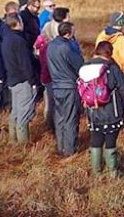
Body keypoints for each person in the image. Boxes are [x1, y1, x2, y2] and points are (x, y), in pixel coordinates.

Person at [82, 41, 124, 177]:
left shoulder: (85, 66)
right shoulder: (112, 68)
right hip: (111, 110)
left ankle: (96, 170)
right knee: (110, 140)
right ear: (110, 53)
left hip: (92, 111)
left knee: (96, 138)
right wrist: (122, 104)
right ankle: (112, 171)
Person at [37, 7, 79, 132]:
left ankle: (54, 128)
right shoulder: (61, 42)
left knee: (52, 104)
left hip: (52, 75)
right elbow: (73, 59)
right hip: (61, 77)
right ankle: (53, 127)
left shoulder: (48, 31)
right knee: (57, 106)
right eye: (68, 16)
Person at [47, 22, 85, 157]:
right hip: (69, 87)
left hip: (56, 86)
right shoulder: (67, 48)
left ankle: (61, 146)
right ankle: (70, 150)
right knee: (70, 119)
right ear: (68, 33)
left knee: (60, 117)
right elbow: (80, 65)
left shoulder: (51, 45)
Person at [1, 13, 38, 144]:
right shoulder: (19, 41)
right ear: (18, 23)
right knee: (24, 112)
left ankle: (13, 140)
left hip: (12, 79)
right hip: (22, 81)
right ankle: (23, 144)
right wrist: (33, 81)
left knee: (15, 111)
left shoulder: (6, 39)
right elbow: (25, 64)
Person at [95, 11, 124, 77]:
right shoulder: (121, 39)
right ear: (121, 22)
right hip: (119, 73)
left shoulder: (101, 36)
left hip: (102, 71)